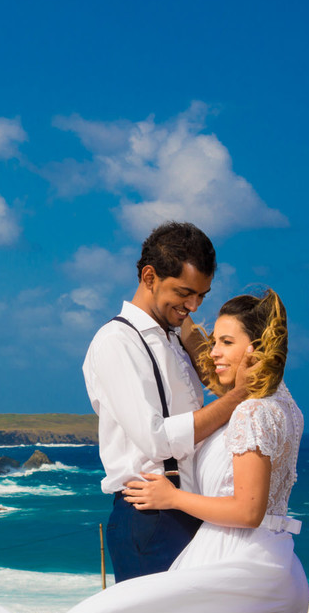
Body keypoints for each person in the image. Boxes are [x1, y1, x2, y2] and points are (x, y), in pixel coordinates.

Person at [0, 289, 308, 613]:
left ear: (254, 349)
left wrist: (172, 499)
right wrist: (169, 306)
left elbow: (247, 510)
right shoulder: (283, 406)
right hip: (269, 560)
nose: (214, 352)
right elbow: (211, 365)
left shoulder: (250, 412)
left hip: (234, 558)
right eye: (214, 340)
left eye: (226, 342)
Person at [82, 221, 249, 581]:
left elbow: (219, 383)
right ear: (149, 276)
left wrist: (190, 335)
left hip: (188, 508)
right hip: (150, 516)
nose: (193, 305)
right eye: (184, 292)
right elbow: (155, 438)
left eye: (202, 296)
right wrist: (239, 397)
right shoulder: (116, 342)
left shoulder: (175, 336)